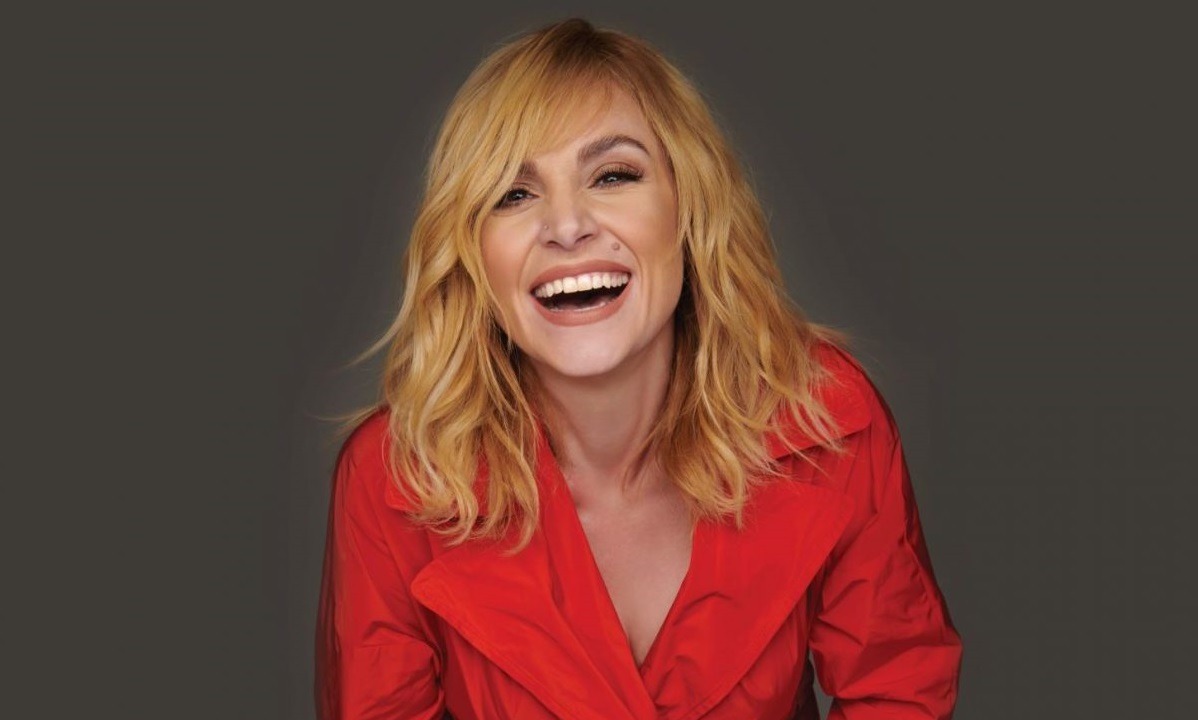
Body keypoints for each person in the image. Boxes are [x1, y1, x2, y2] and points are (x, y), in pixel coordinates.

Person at [315, 17, 962, 720]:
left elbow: (899, 689)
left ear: (688, 207)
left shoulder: (825, 419)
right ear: (473, 252)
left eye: (613, 175)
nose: (567, 226)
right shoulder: (393, 479)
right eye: (513, 193)